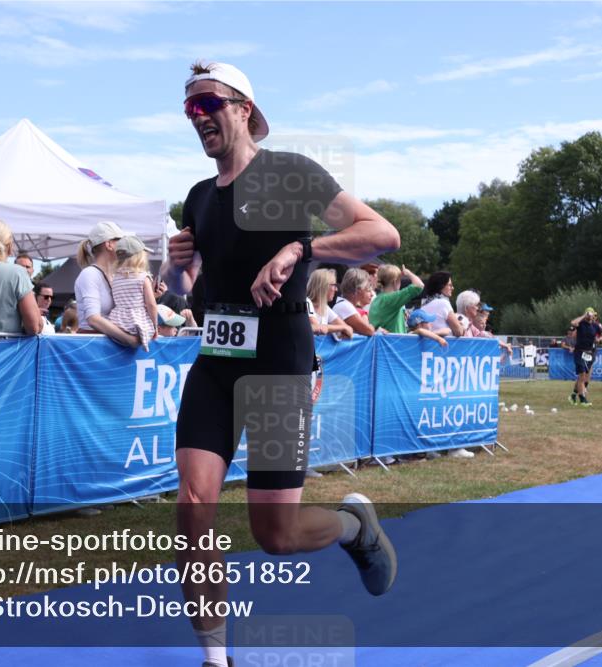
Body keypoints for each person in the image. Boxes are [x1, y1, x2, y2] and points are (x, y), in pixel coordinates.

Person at [165, 60, 401, 667]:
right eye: (189, 107)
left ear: (244, 108)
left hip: (278, 361)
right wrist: (175, 265)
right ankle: (217, 659)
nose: (197, 117)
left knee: (276, 535)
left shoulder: (290, 172)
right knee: (193, 509)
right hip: (216, 361)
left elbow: (383, 235)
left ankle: (356, 529)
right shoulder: (197, 197)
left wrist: (301, 247)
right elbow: (185, 291)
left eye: (207, 103)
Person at [73, 221, 138, 347]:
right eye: (120, 240)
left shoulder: (115, 275)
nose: (125, 245)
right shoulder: (90, 274)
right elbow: (93, 319)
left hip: (107, 346)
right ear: (109, 244)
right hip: (93, 347)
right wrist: (129, 340)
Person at [108, 236, 157, 351]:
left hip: (117, 321)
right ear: (139, 257)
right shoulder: (143, 277)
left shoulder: (114, 278)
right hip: (137, 320)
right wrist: (155, 326)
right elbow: (151, 305)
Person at [369, 264, 424, 334]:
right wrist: (408, 273)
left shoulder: (377, 299)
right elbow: (419, 286)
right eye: (400, 280)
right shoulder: (390, 298)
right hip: (393, 343)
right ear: (395, 282)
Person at [306, 267, 352, 338]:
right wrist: (341, 328)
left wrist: (342, 329)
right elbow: (318, 328)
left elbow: (346, 328)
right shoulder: (307, 302)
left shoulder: (324, 307)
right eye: (334, 285)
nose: (336, 289)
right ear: (323, 286)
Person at [569, 307, 602, 406]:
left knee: (582, 377)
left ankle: (573, 396)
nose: (590, 316)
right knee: (582, 375)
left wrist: (598, 339)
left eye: (591, 314)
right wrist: (584, 316)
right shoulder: (581, 324)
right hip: (579, 352)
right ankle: (582, 399)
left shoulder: (596, 326)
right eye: (589, 314)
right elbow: (573, 323)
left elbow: (600, 335)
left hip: (589, 353)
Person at [420, 271, 463, 337]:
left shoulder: (423, 305)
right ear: (441, 286)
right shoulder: (443, 303)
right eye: (450, 285)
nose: (452, 288)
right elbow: (459, 331)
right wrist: (461, 326)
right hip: (443, 345)